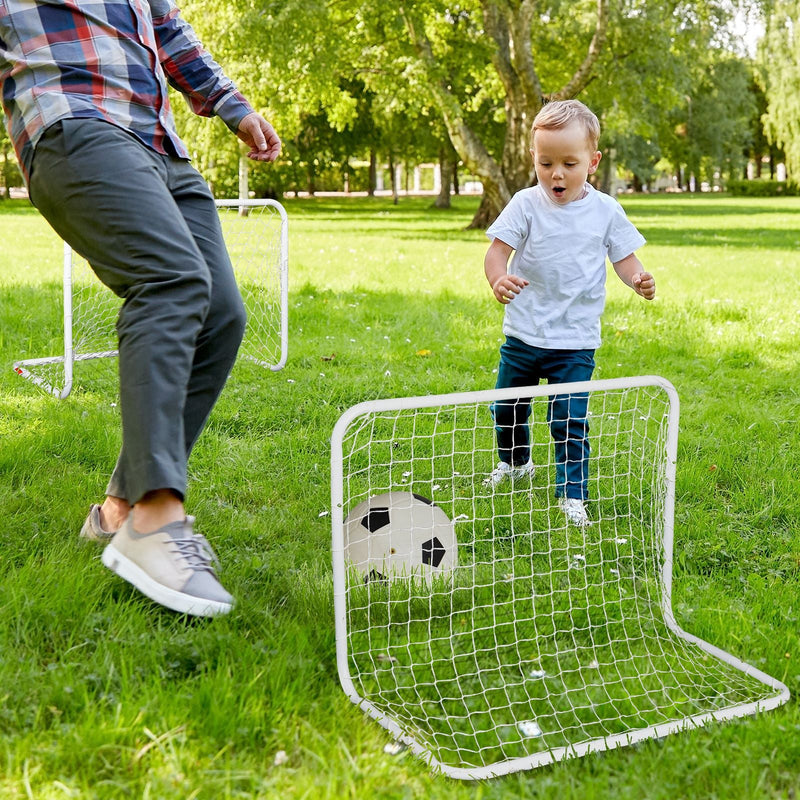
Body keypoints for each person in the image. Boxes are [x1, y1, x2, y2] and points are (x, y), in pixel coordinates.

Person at [0, 0, 281, 616]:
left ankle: (117, 513)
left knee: (222, 313)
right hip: (73, 120)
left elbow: (170, 31)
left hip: (158, 142)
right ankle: (156, 515)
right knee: (172, 280)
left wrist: (234, 108)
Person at [483, 99, 655, 527]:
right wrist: (497, 279)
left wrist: (637, 279)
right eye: (545, 162)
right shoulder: (524, 204)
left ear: (592, 162)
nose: (555, 174)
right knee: (507, 408)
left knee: (569, 420)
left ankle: (571, 493)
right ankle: (515, 462)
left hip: (575, 341)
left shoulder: (606, 211)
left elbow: (624, 259)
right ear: (533, 159)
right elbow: (496, 252)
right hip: (523, 335)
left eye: (568, 163)